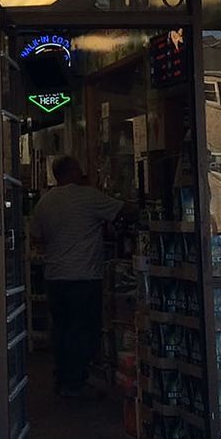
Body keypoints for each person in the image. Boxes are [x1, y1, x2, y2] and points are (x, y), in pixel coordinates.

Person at [28, 156, 128, 399]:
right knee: (83, 329)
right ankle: (76, 382)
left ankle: (63, 377)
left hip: (55, 276)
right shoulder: (88, 196)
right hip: (83, 275)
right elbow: (123, 210)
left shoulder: (45, 201)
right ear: (73, 171)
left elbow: (36, 235)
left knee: (62, 329)